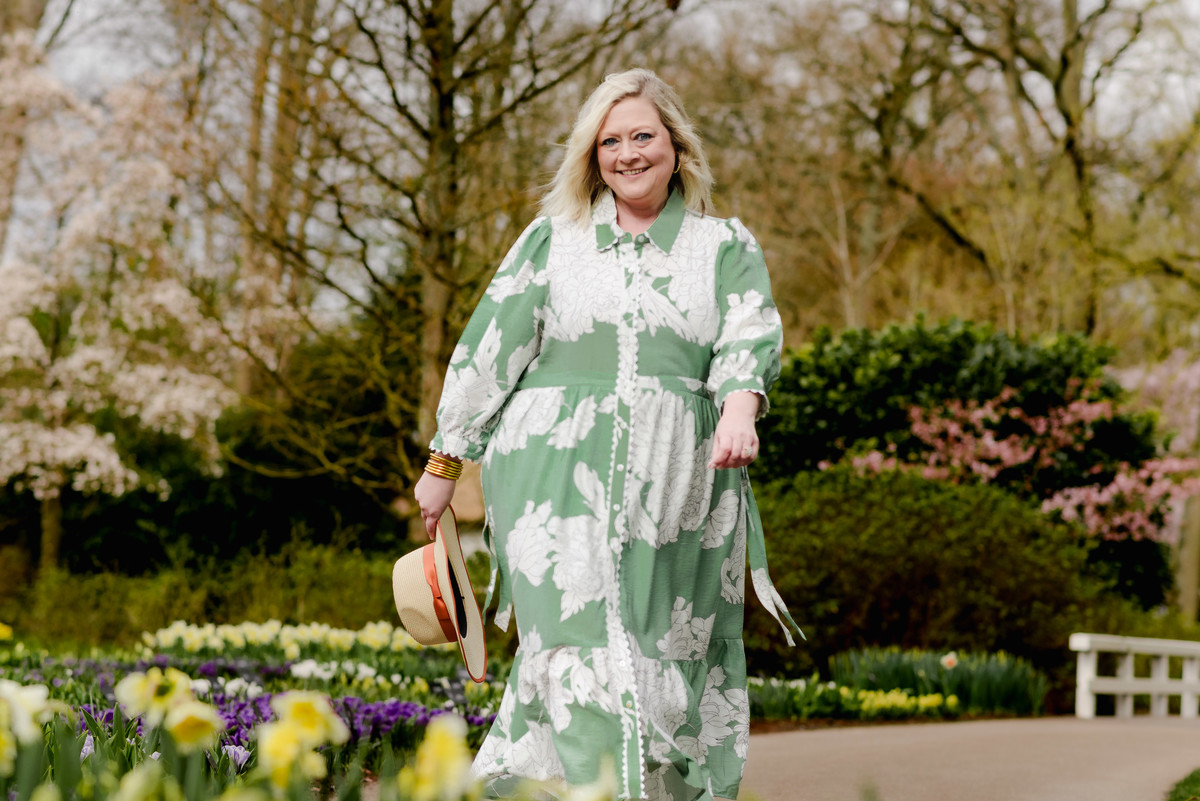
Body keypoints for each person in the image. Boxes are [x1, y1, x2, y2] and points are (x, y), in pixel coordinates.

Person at [414, 68, 800, 801]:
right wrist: (445, 458)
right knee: (578, 644)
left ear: (676, 145)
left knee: (663, 654)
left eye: (642, 136)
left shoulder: (723, 244)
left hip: (681, 483)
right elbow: (491, 346)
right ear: (592, 156)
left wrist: (740, 410)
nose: (627, 153)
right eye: (609, 141)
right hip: (551, 478)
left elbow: (750, 331)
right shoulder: (552, 242)